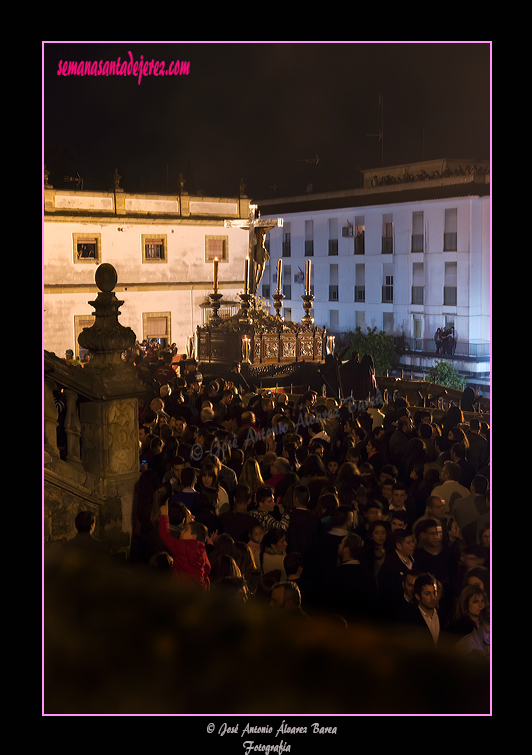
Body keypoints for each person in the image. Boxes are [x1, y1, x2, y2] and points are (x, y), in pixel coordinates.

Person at [317, 532, 378, 624]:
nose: (339, 544)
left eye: (341, 543)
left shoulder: (334, 575)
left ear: (346, 550)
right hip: (362, 627)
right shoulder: (369, 576)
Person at [158, 500, 211, 590]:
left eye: (186, 530)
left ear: (193, 536)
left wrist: (164, 516)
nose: (182, 531)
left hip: (182, 591)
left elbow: (165, 535)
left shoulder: (182, 547)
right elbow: (207, 569)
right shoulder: (202, 551)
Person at [405, 573, 443, 648]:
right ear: (417, 596)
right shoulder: (408, 618)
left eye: (434, 593)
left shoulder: (443, 616)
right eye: (427, 594)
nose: (433, 598)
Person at [286, 484, 323, 556]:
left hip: (291, 557)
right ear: (308, 499)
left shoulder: (288, 517)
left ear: (295, 499)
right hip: (309, 556)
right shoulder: (314, 519)